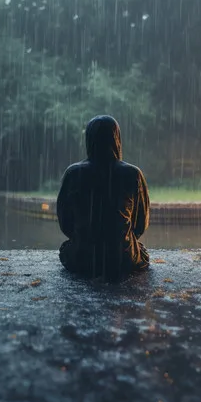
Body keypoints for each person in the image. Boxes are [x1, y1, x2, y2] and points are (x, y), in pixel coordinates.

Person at [57, 115, 150, 280]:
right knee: (139, 249)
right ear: (117, 139)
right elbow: (140, 223)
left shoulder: (74, 173)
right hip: (122, 259)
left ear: (89, 139)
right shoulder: (133, 174)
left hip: (81, 258)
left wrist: (85, 236)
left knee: (67, 249)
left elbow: (65, 223)